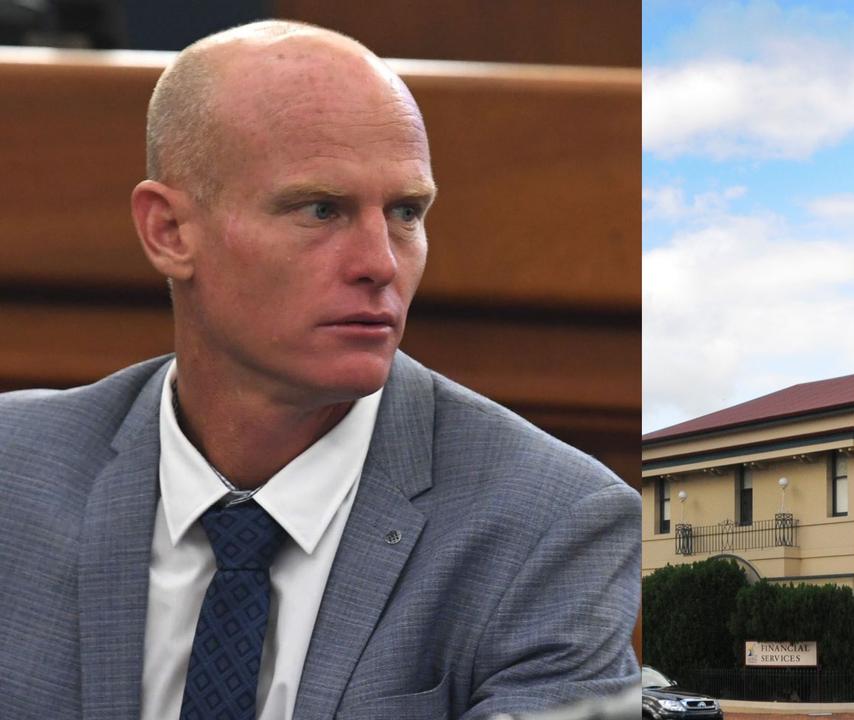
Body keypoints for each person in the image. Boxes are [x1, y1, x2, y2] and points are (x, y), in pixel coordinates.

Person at [0, 20, 639, 720]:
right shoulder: (14, 475)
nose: (380, 263)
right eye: (321, 209)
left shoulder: (549, 525)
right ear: (170, 231)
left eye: (405, 211)